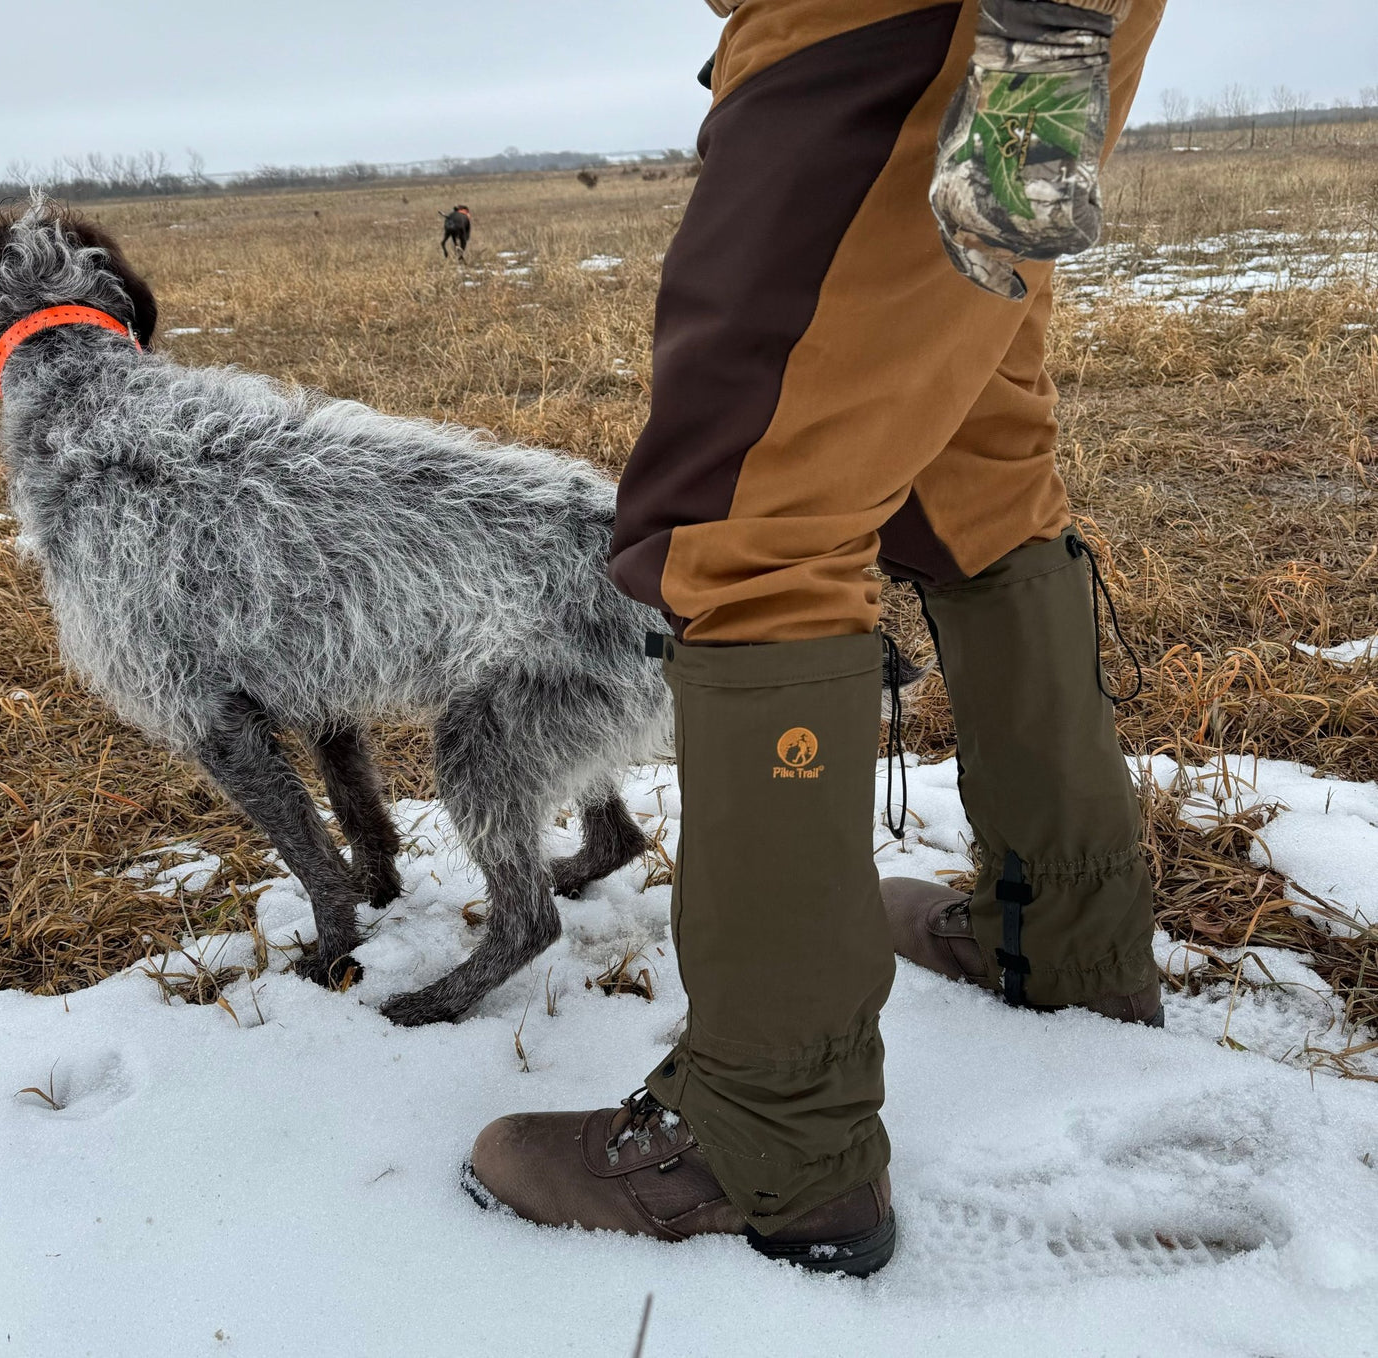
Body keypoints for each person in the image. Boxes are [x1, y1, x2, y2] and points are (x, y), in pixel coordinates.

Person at [465, 0, 1166, 1276]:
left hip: (880, 25)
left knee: (750, 510)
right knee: (971, 469)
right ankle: (1065, 932)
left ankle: (770, 1129)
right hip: (989, 28)